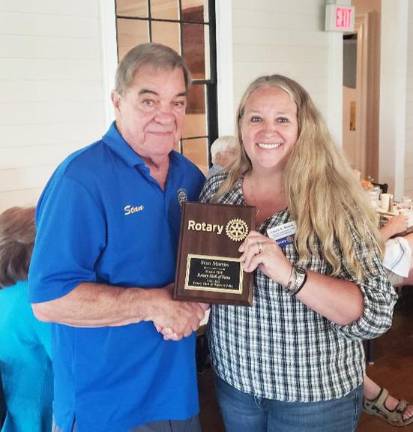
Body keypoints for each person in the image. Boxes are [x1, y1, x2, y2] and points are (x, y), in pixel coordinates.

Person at [198, 74, 397, 432]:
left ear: (304, 128)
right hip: (236, 385)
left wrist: (291, 274)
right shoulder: (217, 190)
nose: (267, 131)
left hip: (314, 396)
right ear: (241, 126)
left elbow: (377, 313)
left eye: (282, 119)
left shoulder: (336, 202)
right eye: (256, 118)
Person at [28, 43, 207, 432]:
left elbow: (202, 271)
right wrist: (156, 304)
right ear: (117, 101)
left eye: (178, 102)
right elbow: (49, 300)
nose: (166, 116)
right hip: (103, 406)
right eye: (149, 101)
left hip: (176, 396)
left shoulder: (190, 178)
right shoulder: (81, 179)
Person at [0, 206, 53, 432]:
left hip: (13, 417)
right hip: (38, 418)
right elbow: (78, 363)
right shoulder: (36, 300)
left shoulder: (7, 297)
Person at [362, 214, 413, 427]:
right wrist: (391, 229)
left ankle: (367, 390)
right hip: (362, 263)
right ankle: (367, 391)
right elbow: (349, 252)